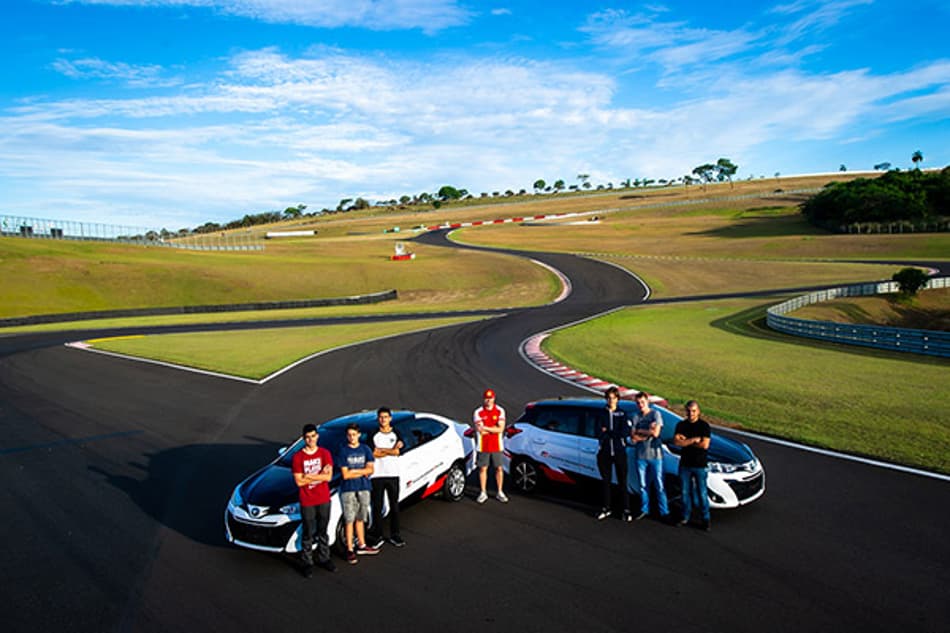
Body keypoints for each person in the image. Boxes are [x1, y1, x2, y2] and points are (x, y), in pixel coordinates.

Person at [291, 423, 336, 576]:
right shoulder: (298, 457)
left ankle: (324, 558)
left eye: (313, 436)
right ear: (304, 439)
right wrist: (319, 476)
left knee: (323, 530)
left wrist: (308, 476)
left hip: (323, 498)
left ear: (317, 436)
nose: (311, 439)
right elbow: (298, 482)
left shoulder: (324, 453)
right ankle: (307, 562)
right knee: (308, 532)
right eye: (307, 437)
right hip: (307, 500)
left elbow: (328, 477)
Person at [337, 422, 380, 563]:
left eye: (354, 435)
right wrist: (361, 472)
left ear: (359, 435)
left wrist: (355, 471)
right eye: (349, 435)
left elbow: (370, 470)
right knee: (349, 519)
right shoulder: (343, 451)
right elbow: (345, 475)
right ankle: (350, 549)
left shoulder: (366, 449)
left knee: (361, 518)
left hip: (363, 487)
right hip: (348, 489)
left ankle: (361, 544)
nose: (352, 437)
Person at [368, 407, 405, 548]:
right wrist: (390, 451)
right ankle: (377, 535)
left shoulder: (396, 433)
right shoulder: (373, 434)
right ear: (378, 419)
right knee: (377, 506)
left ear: (390, 418)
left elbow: (398, 452)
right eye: (381, 417)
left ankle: (395, 535)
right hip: (377, 475)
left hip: (393, 475)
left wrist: (383, 451)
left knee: (394, 505)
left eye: (386, 417)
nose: (383, 419)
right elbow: (373, 453)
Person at [630, 391, 669, 521]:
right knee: (642, 485)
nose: (640, 405)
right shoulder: (635, 416)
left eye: (642, 402)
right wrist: (648, 431)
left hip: (655, 456)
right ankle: (644, 509)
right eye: (638, 403)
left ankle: (664, 511)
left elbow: (656, 433)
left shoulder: (655, 414)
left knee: (659, 484)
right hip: (641, 456)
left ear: (647, 402)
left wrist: (641, 431)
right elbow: (633, 437)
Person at [674, 400, 712, 530]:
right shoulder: (681, 425)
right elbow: (677, 442)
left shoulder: (704, 426)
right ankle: (685, 516)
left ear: (698, 412)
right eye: (689, 411)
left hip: (700, 465)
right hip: (685, 464)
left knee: (702, 493)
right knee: (684, 493)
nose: (691, 413)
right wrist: (694, 440)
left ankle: (705, 519)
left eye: (694, 411)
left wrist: (686, 441)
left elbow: (705, 445)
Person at [596, 386, 633, 521]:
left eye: (614, 398)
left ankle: (626, 510)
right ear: (606, 399)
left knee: (623, 481)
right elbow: (598, 432)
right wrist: (609, 433)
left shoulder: (622, 414)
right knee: (605, 482)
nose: (611, 400)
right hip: (604, 452)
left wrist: (609, 432)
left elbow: (625, 432)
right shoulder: (601, 413)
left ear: (617, 399)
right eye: (609, 398)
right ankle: (606, 508)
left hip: (619, 452)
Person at [473, 388, 508, 503]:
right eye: (486, 398)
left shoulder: (500, 411)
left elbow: (501, 429)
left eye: (490, 398)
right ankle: (483, 492)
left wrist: (487, 428)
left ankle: (500, 492)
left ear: (494, 398)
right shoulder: (478, 412)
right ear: (484, 399)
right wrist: (494, 428)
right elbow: (480, 431)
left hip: (497, 445)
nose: (488, 401)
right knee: (483, 468)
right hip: (483, 445)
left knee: (499, 468)